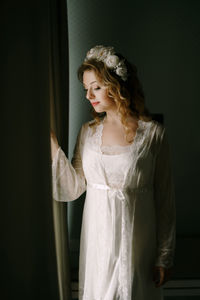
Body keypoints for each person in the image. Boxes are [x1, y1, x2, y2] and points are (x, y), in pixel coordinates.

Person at [51, 45, 176, 300]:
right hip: (98, 247)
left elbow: (165, 200)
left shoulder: (153, 134)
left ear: (116, 85)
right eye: (85, 89)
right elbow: (73, 187)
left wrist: (164, 256)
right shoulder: (87, 132)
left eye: (95, 87)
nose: (88, 95)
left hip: (138, 245)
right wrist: (51, 144)